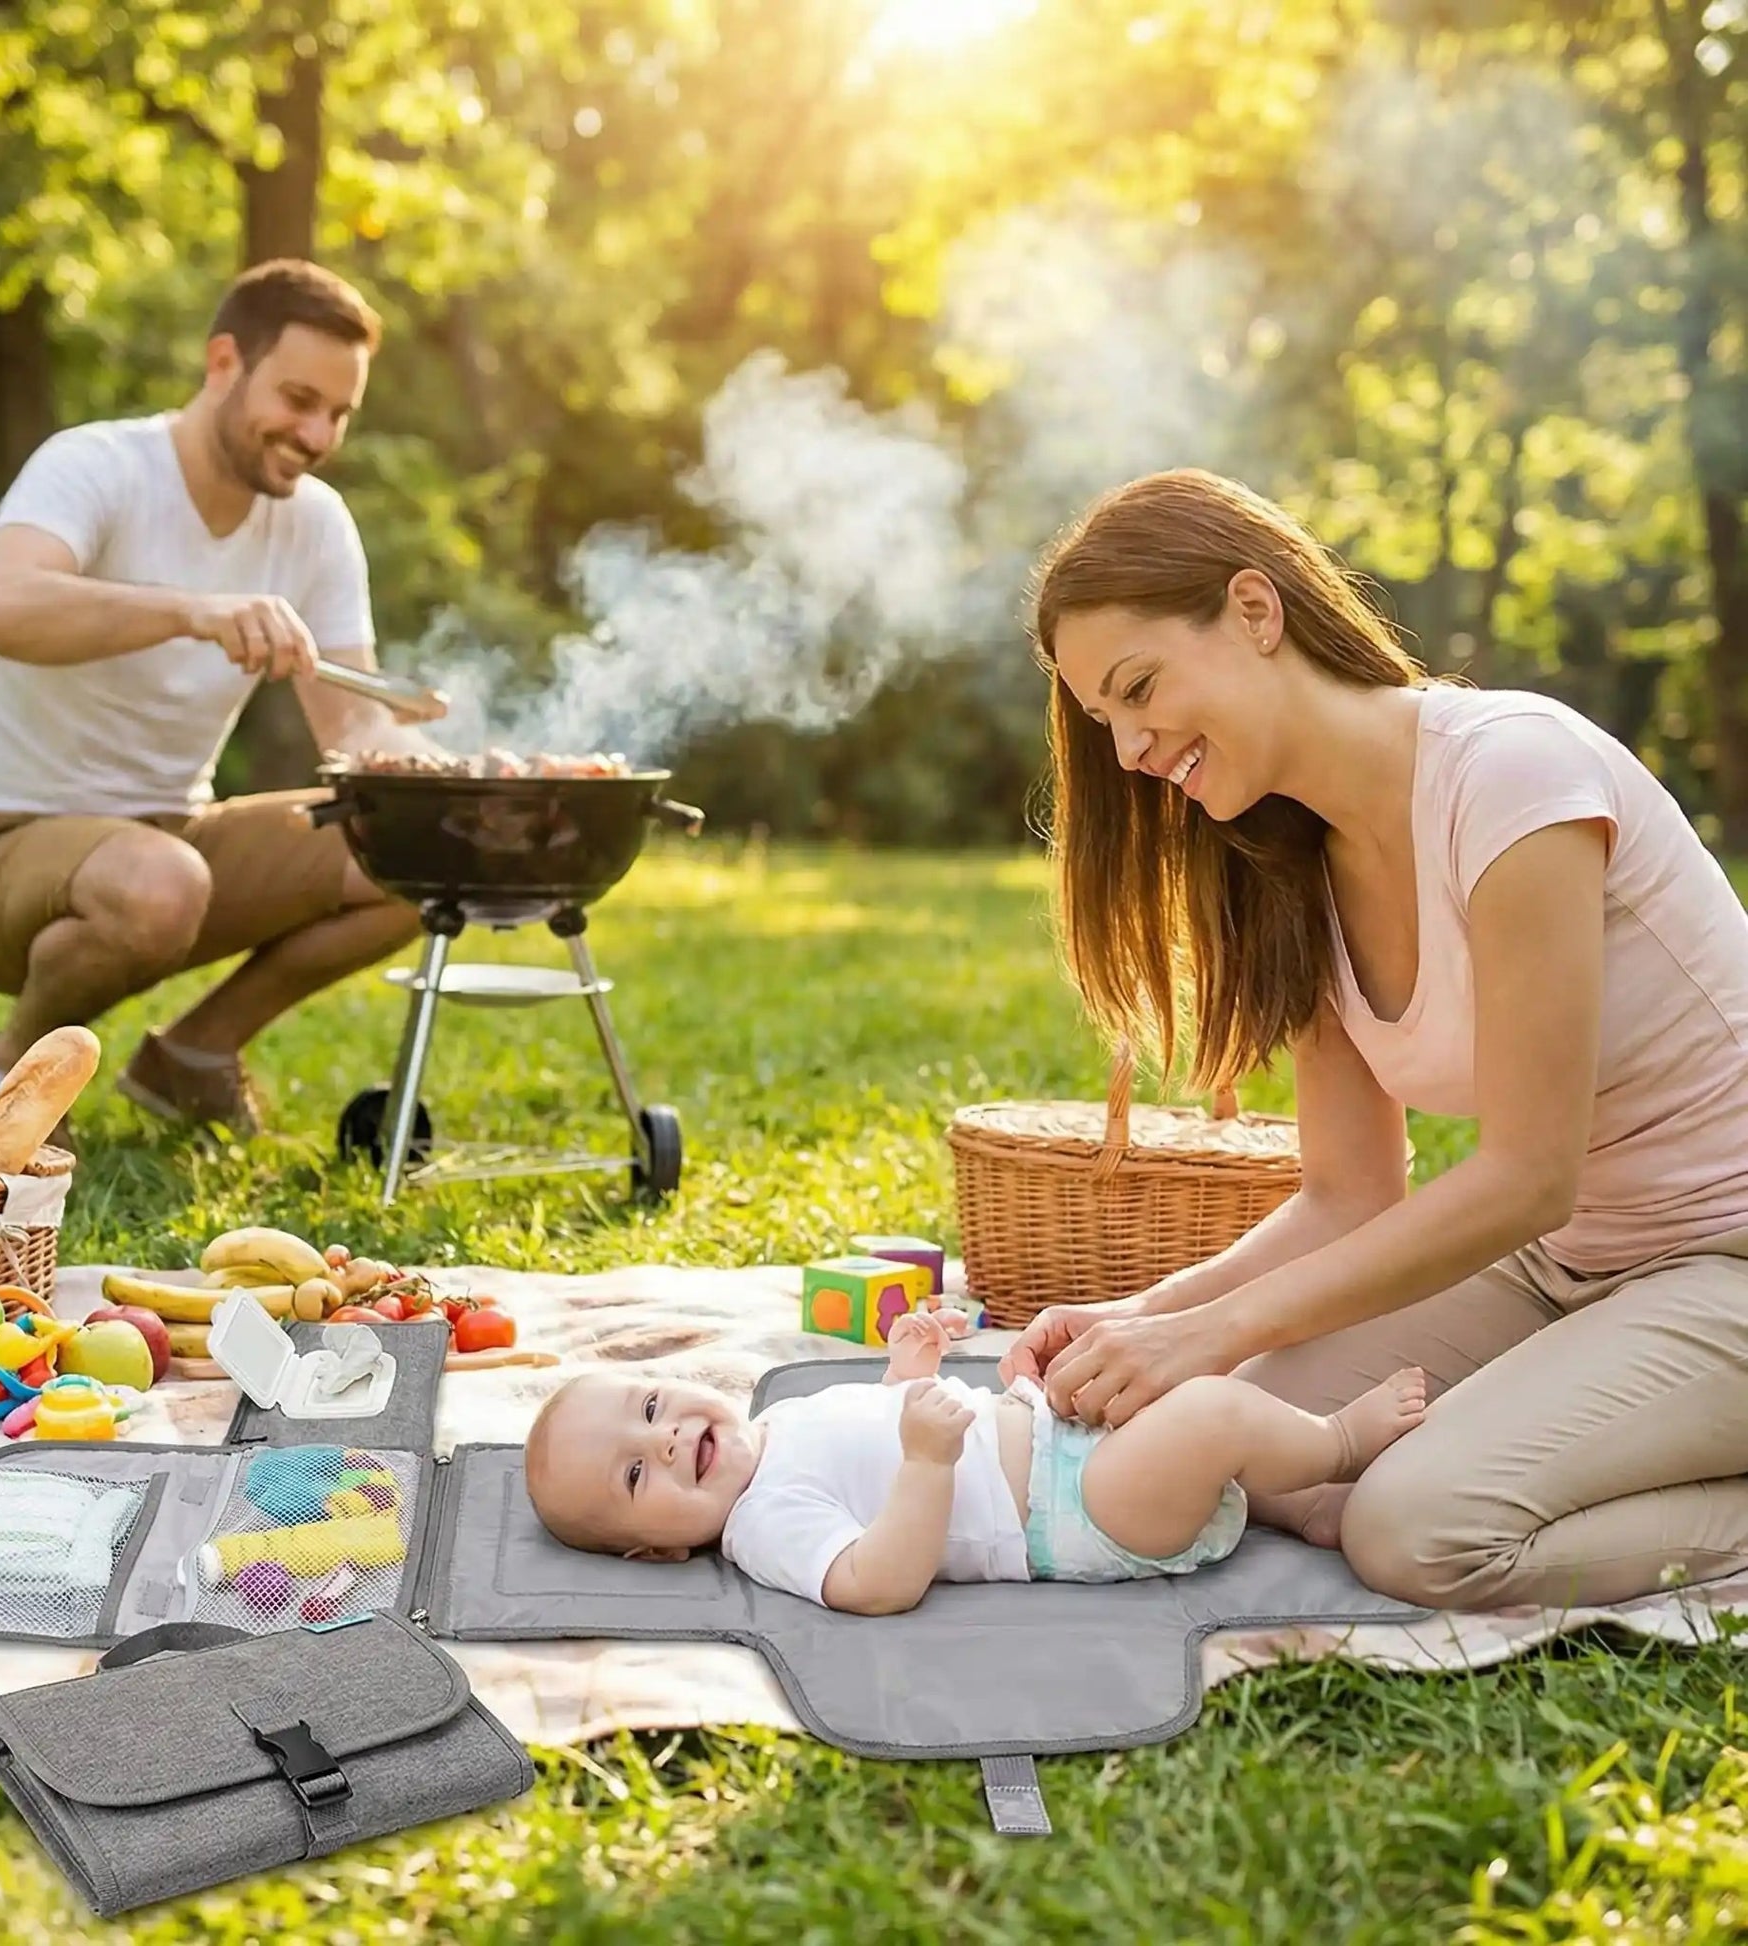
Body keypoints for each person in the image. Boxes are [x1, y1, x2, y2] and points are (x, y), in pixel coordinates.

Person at [1000, 467, 1748, 1612]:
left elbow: (1527, 1177)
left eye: (1137, 688)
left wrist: (1214, 1327)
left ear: (1254, 610)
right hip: (1569, 1267)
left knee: (1411, 1529)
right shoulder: (1286, 863)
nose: (1131, 749)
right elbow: (1348, 1194)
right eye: (1105, 723)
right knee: (1246, 1440)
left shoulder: (1511, 776)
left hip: (1721, 1264)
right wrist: (1143, 1318)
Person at [0, 259, 444, 1136]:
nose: (316, 434)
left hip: (166, 841)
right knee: (160, 883)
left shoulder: (316, 524)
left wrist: (452, 780)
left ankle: (193, 1056)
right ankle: (13, 1082)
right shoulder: (95, 464)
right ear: (224, 362)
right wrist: (193, 612)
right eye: (298, 399)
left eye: (339, 413)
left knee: (418, 854)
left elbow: (356, 730)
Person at [522, 1310, 1427, 1613]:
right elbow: (876, 1582)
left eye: (651, 1407)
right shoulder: (762, 1525)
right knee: (1206, 1415)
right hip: (1078, 1514)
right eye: (635, 1475)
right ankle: (1339, 1442)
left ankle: (1298, 1502)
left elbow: (875, 1434)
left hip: (1067, 1450)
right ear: (657, 1550)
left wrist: (908, 1371)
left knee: (1151, 1384)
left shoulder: (778, 1420)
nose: (663, 1439)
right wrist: (926, 1463)